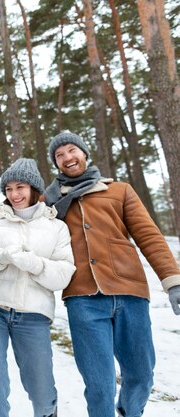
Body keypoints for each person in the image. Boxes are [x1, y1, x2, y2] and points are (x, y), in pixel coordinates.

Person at [42, 131, 180, 417]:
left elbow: (149, 235)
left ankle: (130, 412)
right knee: (99, 384)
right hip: (83, 298)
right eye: (60, 155)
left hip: (130, 292)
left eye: (71, 150)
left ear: (84, 153)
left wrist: (173, 281)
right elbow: (19, 215)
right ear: (56, 164)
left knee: (142, 375)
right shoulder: (50, 201)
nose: (67, 157)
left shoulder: (119, 190)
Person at [0, 158, 75, 417]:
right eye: (9, 189)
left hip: (33, 315)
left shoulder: (56, 227)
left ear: (34, 189)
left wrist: (34, 264)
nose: (14, 194)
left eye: (20, 187)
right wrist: (2, 256)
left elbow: (63, 274)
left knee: (42, 390)